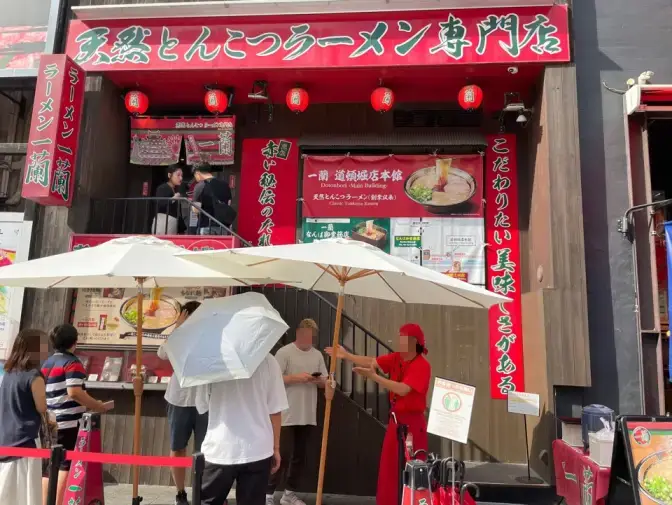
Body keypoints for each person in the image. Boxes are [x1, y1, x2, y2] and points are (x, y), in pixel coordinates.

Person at [326, 323, 431, 505]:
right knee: (389, 468)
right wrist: (347, 355)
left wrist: (375, 377)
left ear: (414, 342)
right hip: (395, 422)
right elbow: (373, 362)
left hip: (412, 424)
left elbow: (404, 389)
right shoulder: (397, 358)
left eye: (403, 337)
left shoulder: (422, 365)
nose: (399, 340)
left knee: (412, 466)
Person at [197, 353, 288, 505]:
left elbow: (202, 405)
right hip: (258, 447)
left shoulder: (211, 359)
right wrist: (276, 448)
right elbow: (276, 409)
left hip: (221, 446)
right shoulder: (268, 360)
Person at [41, 324, 111, 505]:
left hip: (49, 421)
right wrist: (98, 406)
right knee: (66, 463)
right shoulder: (73, 363)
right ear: (74, 342)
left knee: (50, 466)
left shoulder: (47, 363)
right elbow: (74, 392)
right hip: (68, 421)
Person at [266, 319, 334, 505]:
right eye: (305, 334)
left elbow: (326, 382)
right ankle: (268, 495)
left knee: (299, 456)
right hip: (286, 413)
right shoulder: (284, 352)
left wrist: (318, 381)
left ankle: (289, 494)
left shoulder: (317, 355)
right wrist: (296, 378)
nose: (308, 339)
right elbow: (273, 380)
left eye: (311, 336)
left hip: (307, 413)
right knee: (282, 455)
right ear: (298, 333)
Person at [157, 301, 208, 505]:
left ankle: (202, 493)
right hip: (179, 398)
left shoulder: (209, 335)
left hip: (204, 399)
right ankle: (180, 493)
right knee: (178, 447)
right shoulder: (178, 335)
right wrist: (178, 328)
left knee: (205, 450)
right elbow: (162, 353)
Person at [0, 329, 48, 505]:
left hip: (6, 437)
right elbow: (42, 407)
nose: (47, 349)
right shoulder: (34, 376)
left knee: (7, 486)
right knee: (27, 490)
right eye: (43, 345)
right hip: (27, 438)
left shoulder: (8, 374)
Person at [191, 163, 233, 235]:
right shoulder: (225, 185)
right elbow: (228, 203)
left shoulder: (200, 185)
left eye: (195, 176)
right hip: (222, 227)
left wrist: (191, 205)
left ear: (197, 173)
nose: (196, 179)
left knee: (206, 246)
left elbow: (196, 209)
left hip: (205, 226)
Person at [152, 165, 185, 235]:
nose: (181, 178)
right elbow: (160, 202)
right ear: (169, 175)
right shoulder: (163, 187)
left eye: (181, 175)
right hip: (164, 220)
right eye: (178, 175)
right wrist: (173, 199)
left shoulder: (175, 189)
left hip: (172, 220)